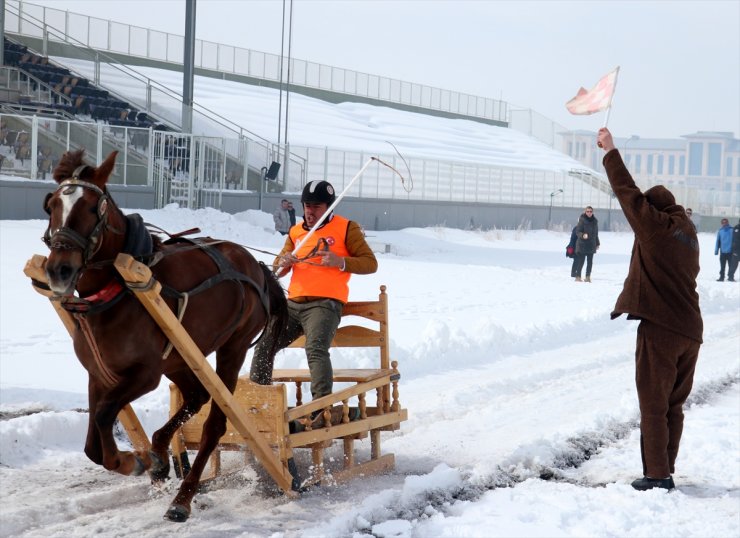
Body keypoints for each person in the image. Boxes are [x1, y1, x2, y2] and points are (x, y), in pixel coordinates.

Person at [597, 127, 702, 492]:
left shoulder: (656, 229)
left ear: (654, 211)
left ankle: (657, 476)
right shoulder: (688, 236)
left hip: (661, 329)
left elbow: (628, 194)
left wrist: (610, 151)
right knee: (673, 406)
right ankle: (665, 467)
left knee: (653, 406)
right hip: (691, 332)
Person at [250, 180, 378, 422]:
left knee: (315, 348)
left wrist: (340, 261)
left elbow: (370, 263)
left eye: (316, 206)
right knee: (264, 346)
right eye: (307, 205)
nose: (310, 211)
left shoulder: (346, 228)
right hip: (293, 304)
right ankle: (260, 405)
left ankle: (322, 408)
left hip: (325, 304)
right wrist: (283, 263)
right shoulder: (296, 232)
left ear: (329, 207)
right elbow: (277, 267)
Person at [572, 206, 599, 282]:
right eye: (588, 211)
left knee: (590, 262)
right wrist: (583, 235)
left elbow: (596, 234)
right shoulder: (582, 220)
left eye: (590, 211)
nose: (589, 213)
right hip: (582, 244)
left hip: (591, 244)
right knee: (581, 261)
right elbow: (578, 232)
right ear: (585, 212)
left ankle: (587, 277)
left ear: (592, 212)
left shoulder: (595, 221)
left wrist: (597, 243)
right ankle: (578, 276)